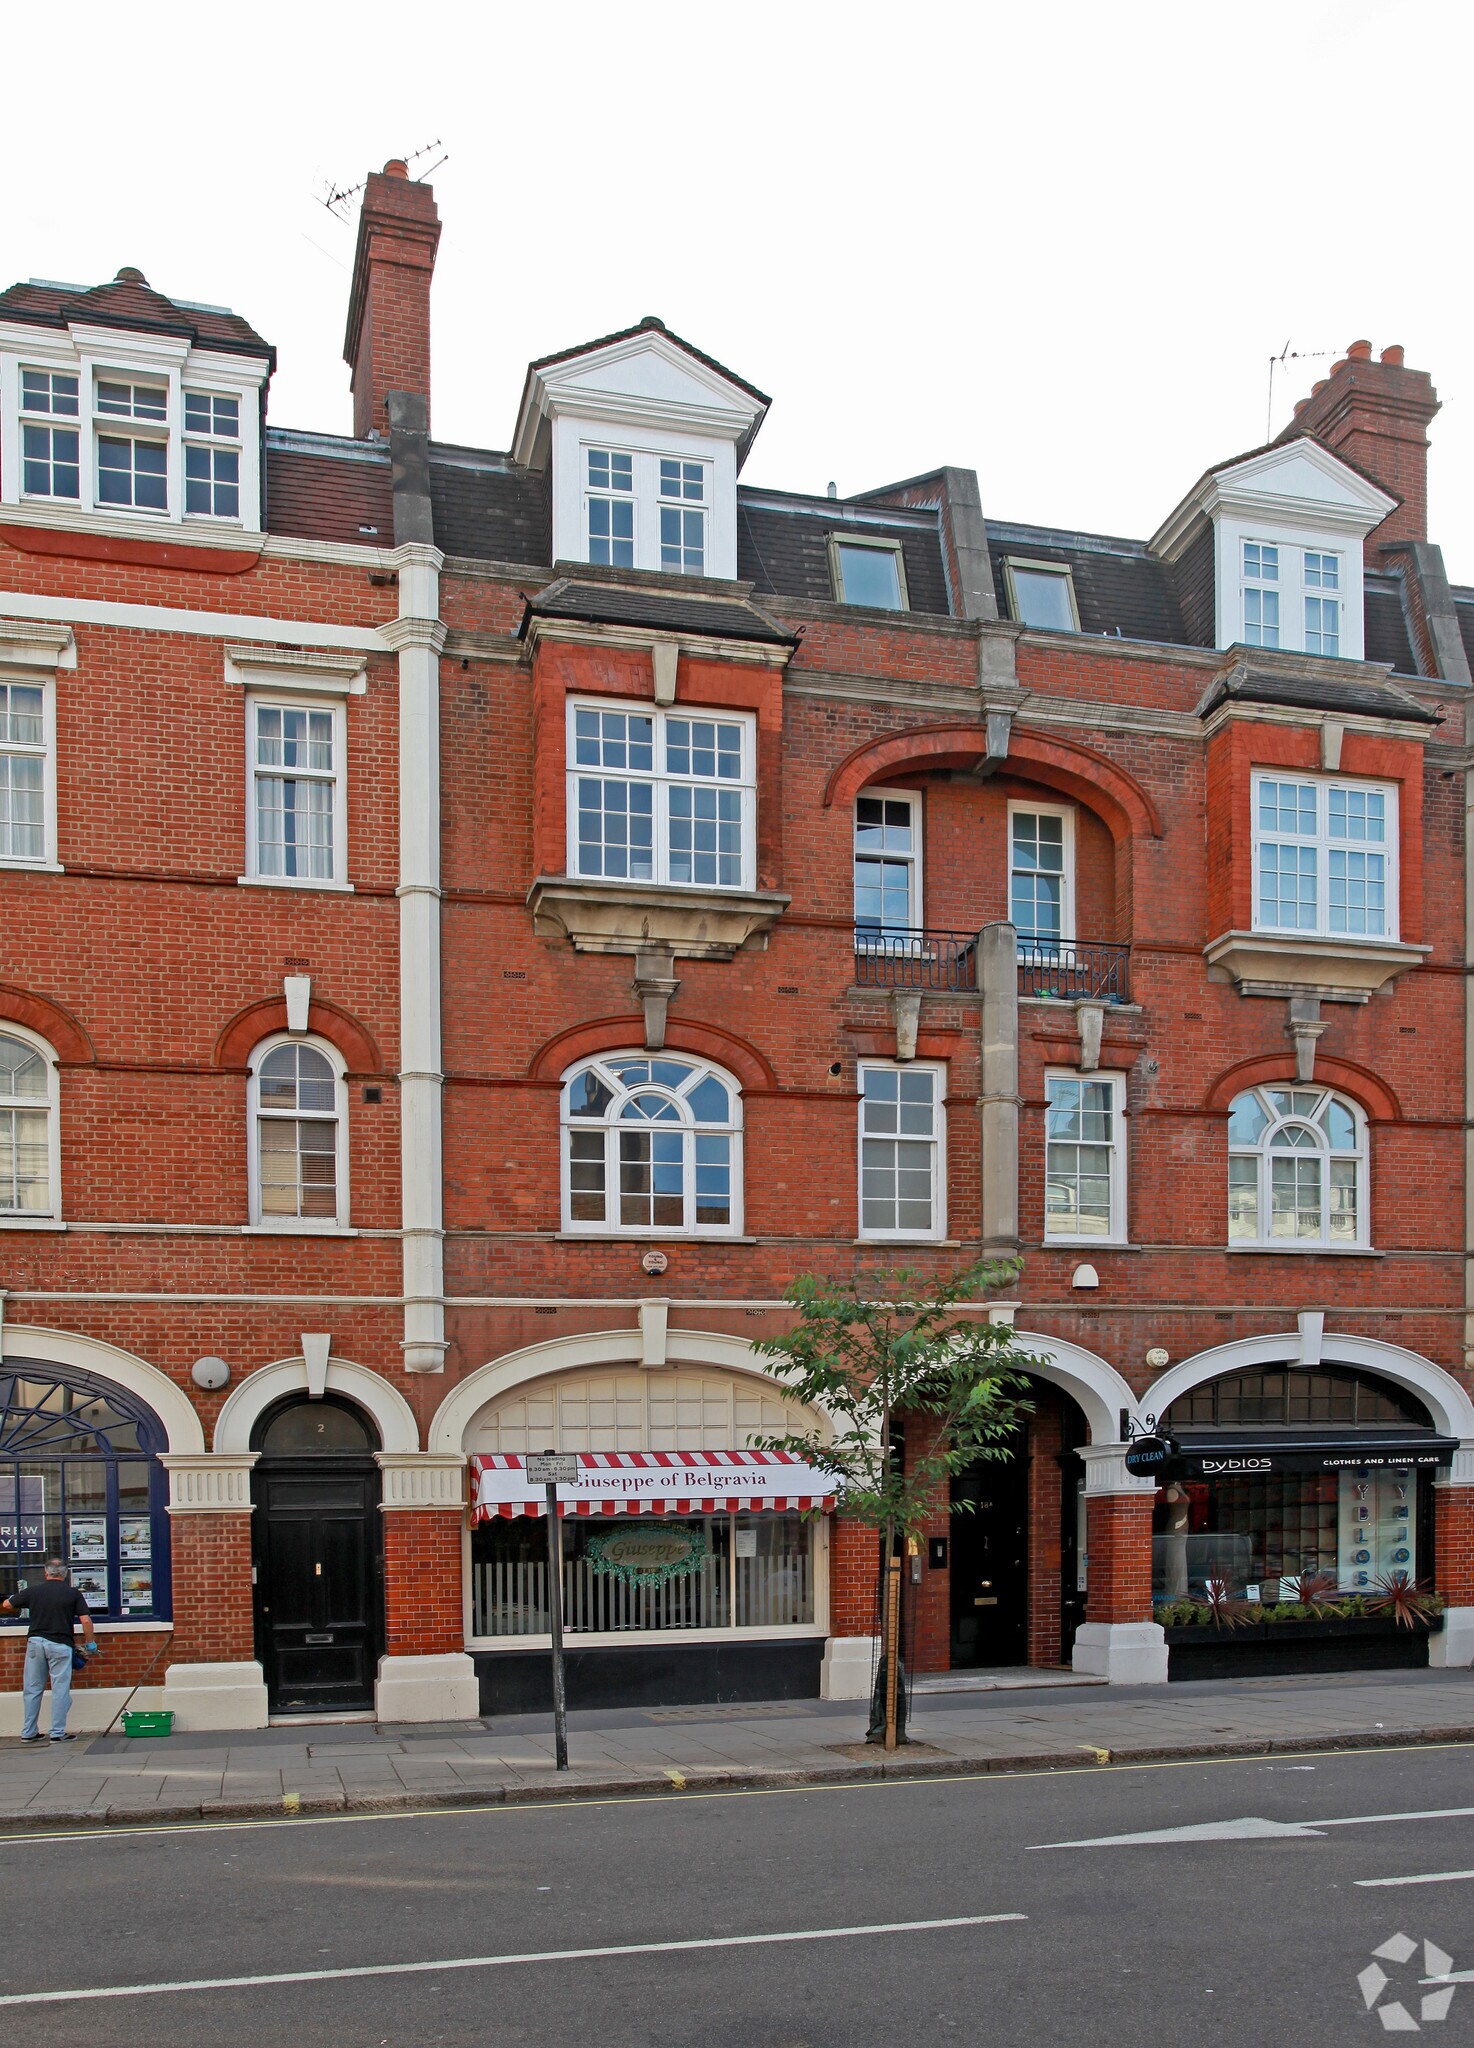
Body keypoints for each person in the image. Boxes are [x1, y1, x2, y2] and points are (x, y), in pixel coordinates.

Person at [1, 1557, 99, 1742]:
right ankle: (57, 1733)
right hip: (61, 1645)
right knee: (60, 1689)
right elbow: (86, 1620)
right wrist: (90, 1643)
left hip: (36, 1644)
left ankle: (28, 1733)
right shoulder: (73, 1593)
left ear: (46, 1573)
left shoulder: (33, 1591)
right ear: (65, 1574)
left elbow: (7, 1605)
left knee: (32, 1688)